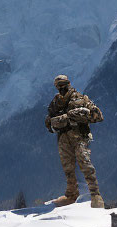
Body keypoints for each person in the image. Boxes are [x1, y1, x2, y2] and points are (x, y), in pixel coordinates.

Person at [44, 75, 105, 208]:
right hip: (63, 138)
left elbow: (98, 116)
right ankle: (71, 195)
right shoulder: (55, 102)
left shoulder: (80, 99)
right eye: (58, 85)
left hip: (79, 136)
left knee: (85, 164)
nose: (61, 88)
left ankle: (95, 195)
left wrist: (78, 115)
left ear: (68, 83)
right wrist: (54, 122)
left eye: (63, 84)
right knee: (68, 168)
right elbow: (48, 122)